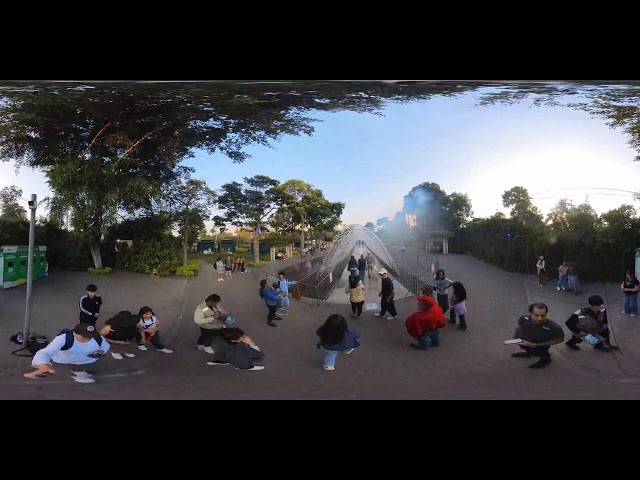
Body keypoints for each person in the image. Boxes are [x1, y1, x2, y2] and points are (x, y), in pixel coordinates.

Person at [24, 323, 110, 384]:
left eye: (90, 336)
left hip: (85, 360)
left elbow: (105, 345)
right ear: (74, 333)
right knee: (70, 367)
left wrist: (102, 351)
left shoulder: (97, 338)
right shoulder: (63, 339)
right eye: (84, 336)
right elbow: (45, 352)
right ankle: (79, 376)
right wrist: (43, 367)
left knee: (79, 367)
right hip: (64, 359)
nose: (88, 339)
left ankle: (79, 374)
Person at [510, 303, 565, 369]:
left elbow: (560, 339)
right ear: (530, 313)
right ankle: (530, 353)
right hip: (524, 342)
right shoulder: (524, 319)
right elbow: (520, 327)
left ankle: (545, 360)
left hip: (540, 346)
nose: (540, 318)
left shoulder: (553, 327)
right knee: (528, 349)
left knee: (542, 353)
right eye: (536, 315)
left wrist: (534, 344)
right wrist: (516, 336)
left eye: (543, 315)